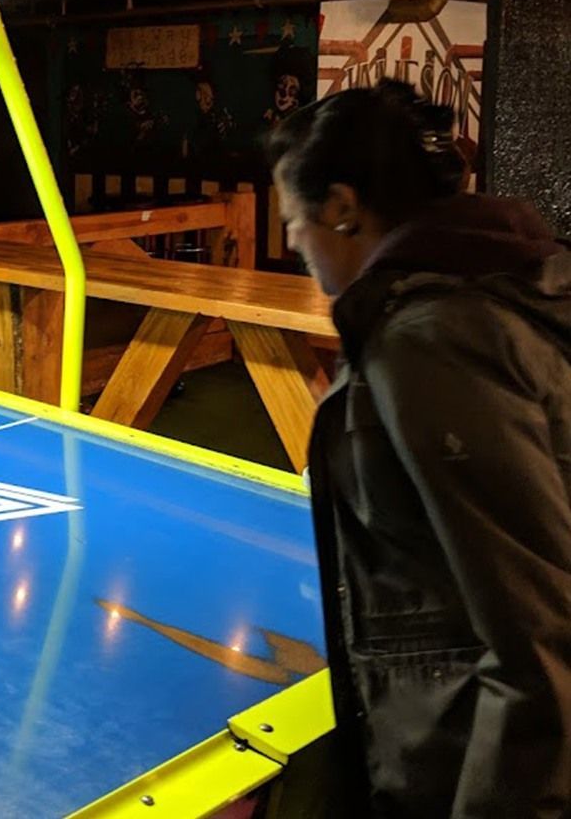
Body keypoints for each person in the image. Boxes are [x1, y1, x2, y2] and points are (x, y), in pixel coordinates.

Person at [267, 83, 570, 818]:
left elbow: (541, 639)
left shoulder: (431, 343)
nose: (292, 245)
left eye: (295, 222)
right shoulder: (512, 289)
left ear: (342, 205)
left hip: (460, 759)